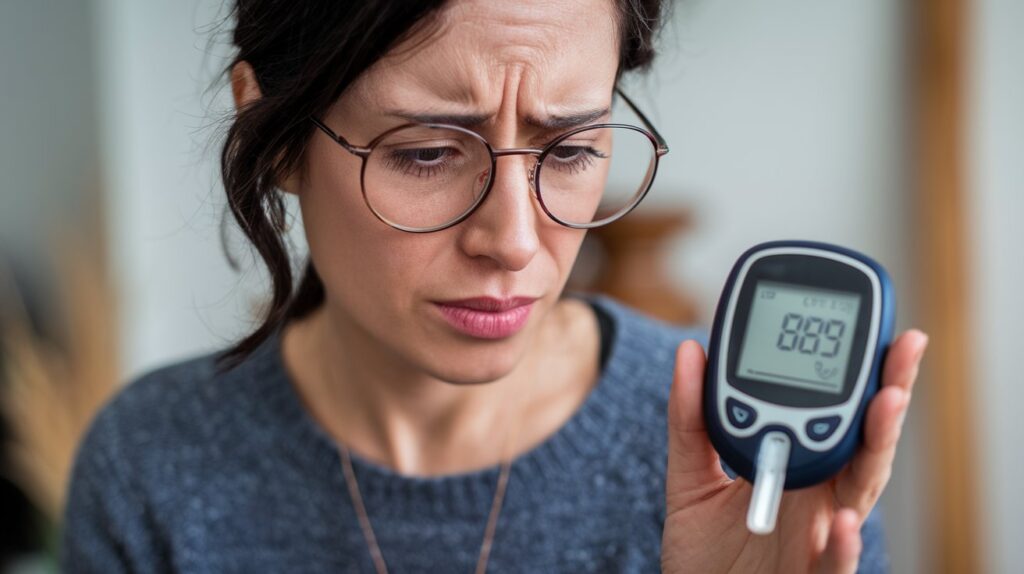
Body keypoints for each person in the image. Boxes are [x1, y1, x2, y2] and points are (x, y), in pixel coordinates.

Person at [60, 1, 928, 572]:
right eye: (426, 153)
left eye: (573, 150)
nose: (515, 243)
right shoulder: (153, 470)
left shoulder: (752, 483)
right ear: (272, 132)